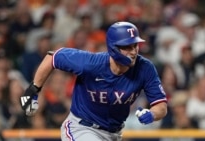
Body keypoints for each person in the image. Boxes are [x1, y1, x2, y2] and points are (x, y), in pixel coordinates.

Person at [19, 21, 167, 141]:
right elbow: (54, 57)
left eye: (135, 45)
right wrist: (34, 88)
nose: (134, 51)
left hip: (114, 133)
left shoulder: (145, 68)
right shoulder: (91, 63)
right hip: (82, 128)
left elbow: (161, 106)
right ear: (113, 48)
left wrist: (152, 114)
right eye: (127, 47)